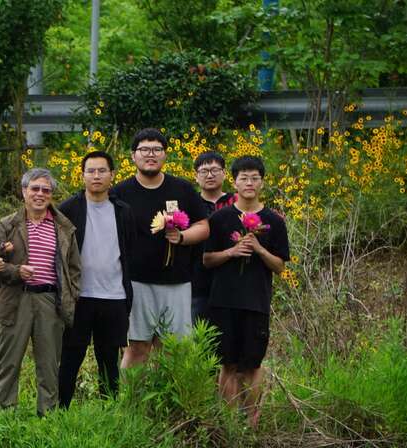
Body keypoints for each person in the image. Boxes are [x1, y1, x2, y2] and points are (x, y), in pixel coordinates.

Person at [111, 128, 209, 369]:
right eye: (144, 149)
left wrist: (182, 237)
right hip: (136, 282)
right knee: (136, 347)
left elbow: (203, 226)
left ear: (165, 155)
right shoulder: (119, 193)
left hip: (177, 282)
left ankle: (168, 394)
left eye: (157, 149)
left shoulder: (182, 189)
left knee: (174, 348)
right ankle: (131, 395)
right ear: (133, 155)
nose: (150, 154)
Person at [203, 155, 289, 425]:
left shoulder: (274, 221)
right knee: (227, 363)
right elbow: (206, 260)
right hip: (223, 301)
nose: (249, 183)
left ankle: (252, 422)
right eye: (244, 178)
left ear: (262, 183)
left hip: (256, 302)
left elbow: (280, 266)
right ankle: (229, 423)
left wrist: (259, 249)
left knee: (252, 364)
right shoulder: (220, 218)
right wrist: (231, 251)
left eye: (255, 178)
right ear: (235, 183)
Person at [0, 168, 80, 416]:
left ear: (51, 194)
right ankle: (3, 416)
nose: (40, 194)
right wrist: (16, 271)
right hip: (16, 299)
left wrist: (71, 296)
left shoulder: (64, 227)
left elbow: (75, 268)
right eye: (35, 189)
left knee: (49, 364)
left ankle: (47, 417)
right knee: (9, 362)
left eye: (46, 190)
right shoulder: (7, 225)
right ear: (24, 191)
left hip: (50, 301)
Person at [57, 151, 134, 407]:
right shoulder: (68, 209)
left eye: (102, 171)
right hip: (79, 296)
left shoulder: (123, 211)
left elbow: (130, 250)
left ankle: (108, 411)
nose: (96, 176)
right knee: (70, 356)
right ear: (82, 176)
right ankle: (60, 411)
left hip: (114, 296)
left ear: (112, 175)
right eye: (91, 171)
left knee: (109, 360)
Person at [191, 151, 235, 323]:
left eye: (215, 170)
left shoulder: (236, 202)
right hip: (198, 282)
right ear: (196, 176)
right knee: (198, 331)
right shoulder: (189, 203)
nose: (210, 175)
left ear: (224, 173)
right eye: (204, 171)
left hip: (232, 280)